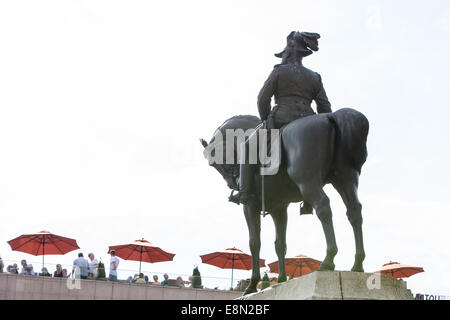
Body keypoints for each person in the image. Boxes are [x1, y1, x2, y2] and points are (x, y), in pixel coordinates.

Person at [231, 31, 332, 208]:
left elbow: (262, 98)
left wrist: (265, 120)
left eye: (284, 51)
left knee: (246, 146)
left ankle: (245, 193)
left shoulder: (279, 71)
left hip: (282, 118)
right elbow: (325, 108)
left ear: (291, 50)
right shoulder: (314, 76)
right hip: (309, 119)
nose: (283, 54)